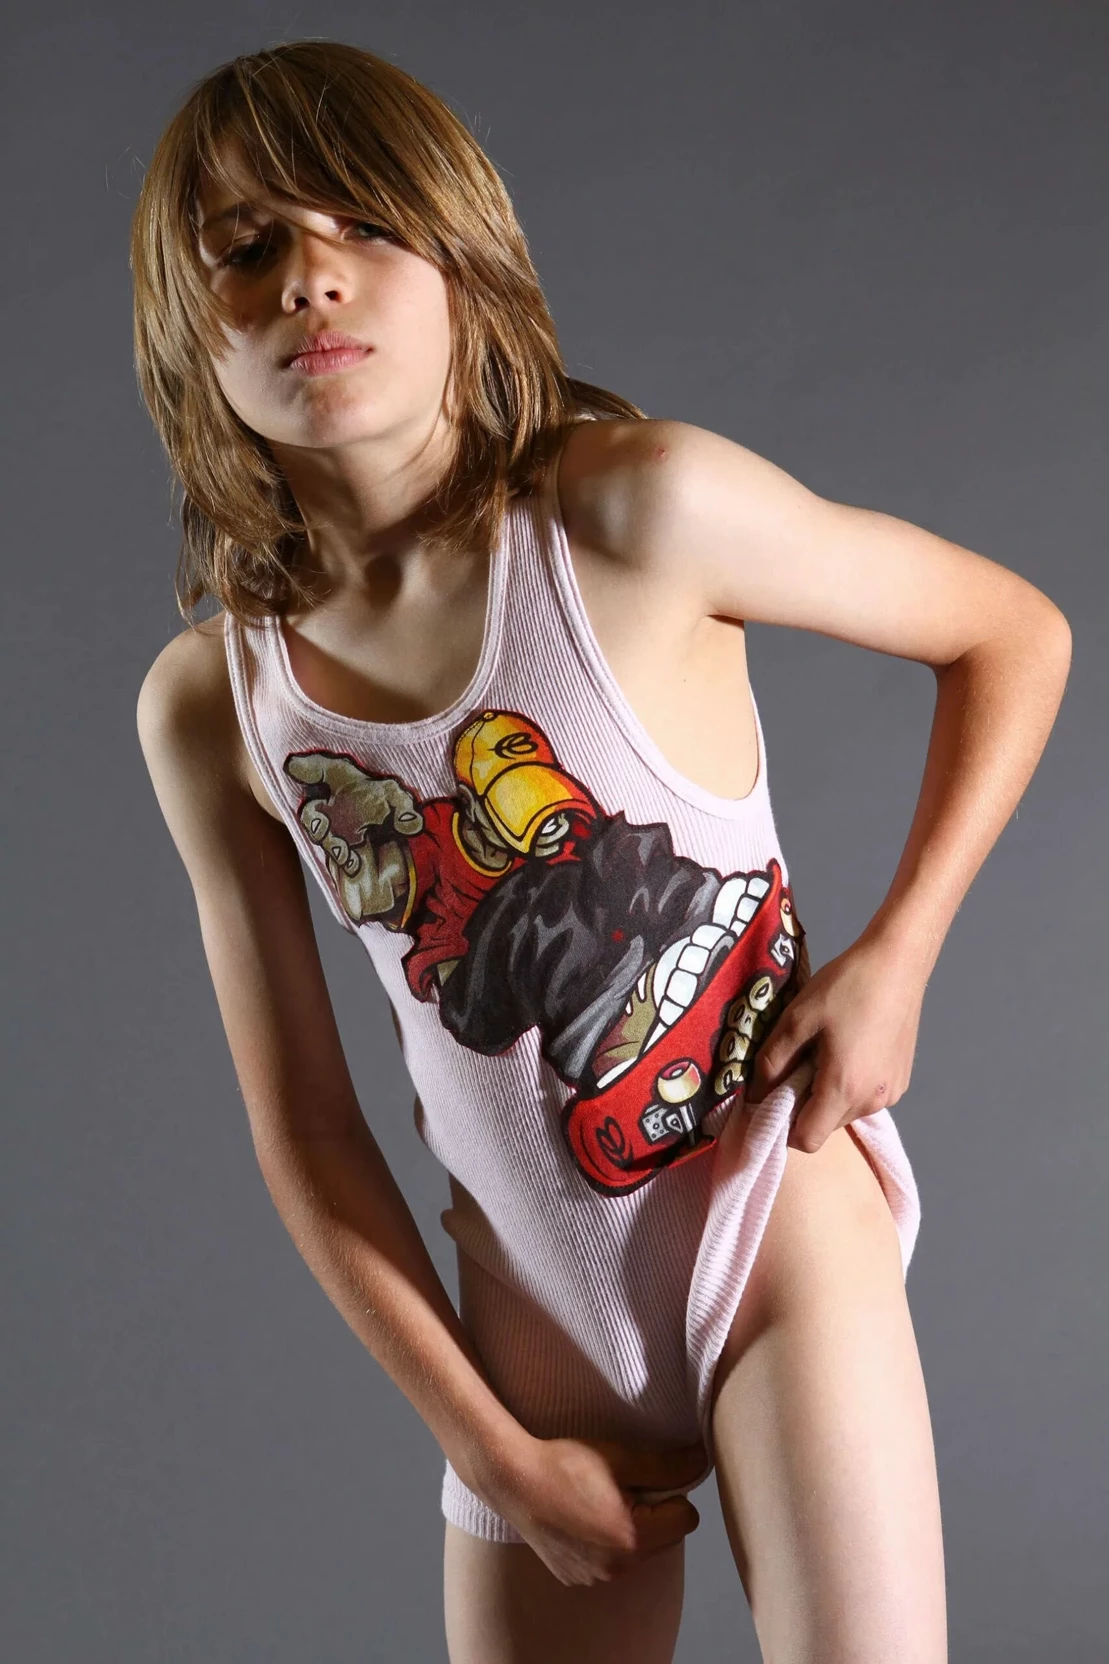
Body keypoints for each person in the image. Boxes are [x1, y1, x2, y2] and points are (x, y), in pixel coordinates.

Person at [132, 39, 1070, 1664]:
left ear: (464, 263)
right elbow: (309, 1129)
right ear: (181, 322)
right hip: (524, 1331)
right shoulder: (219, 709)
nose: (311, 279)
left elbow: (1013, 632)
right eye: (248, 246)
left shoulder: (635, 512)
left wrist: (900, 954)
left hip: (769, 1220)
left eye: (365, 226)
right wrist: (490, 1446)